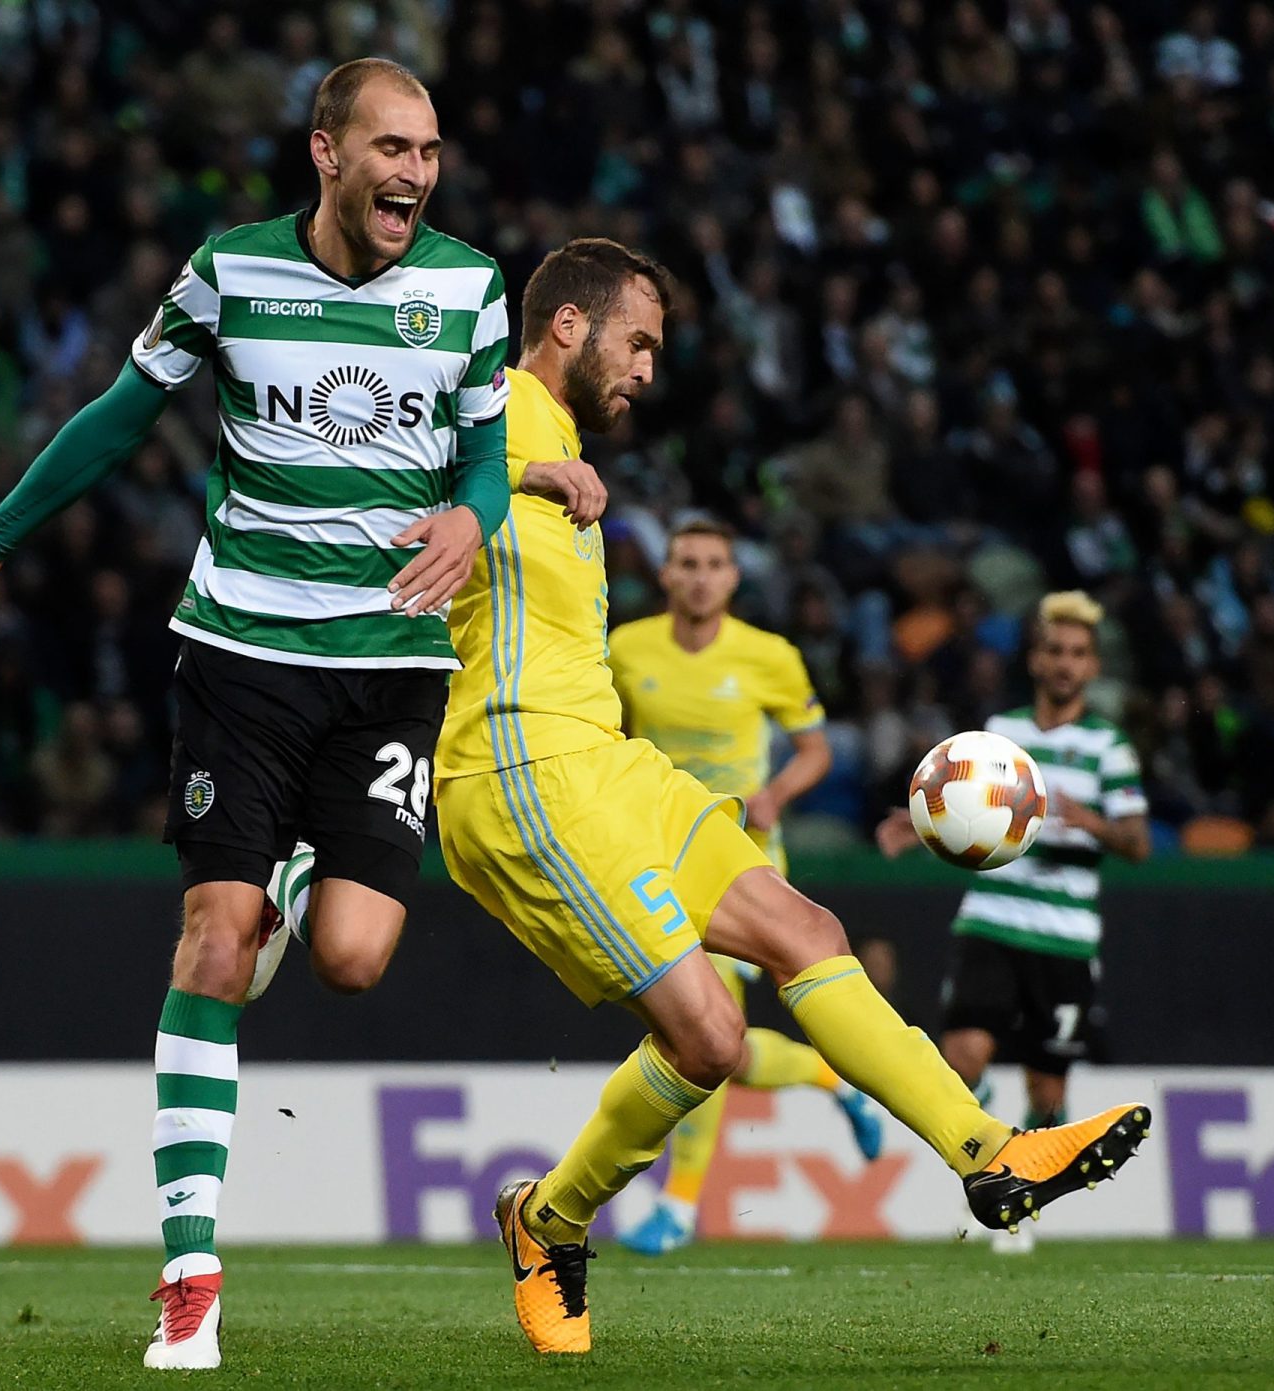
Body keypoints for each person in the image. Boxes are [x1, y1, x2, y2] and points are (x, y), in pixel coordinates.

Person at [0, 58, 558, 1372]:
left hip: (391, 666)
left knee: (354, 954)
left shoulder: (468, 288)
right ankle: (190, 1273)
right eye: (392, 148)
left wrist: (478, 509)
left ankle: (307, 872)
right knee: (214, 938)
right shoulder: (229, 272)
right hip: (238, 655)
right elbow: (125, 414)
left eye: (429, 151)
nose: (416, 173)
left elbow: (481, 446)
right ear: (325, 151)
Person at [434, 239, 1149, 1356]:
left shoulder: (562, 435)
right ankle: (549, 1218)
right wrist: (520, 474)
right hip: (521, 770)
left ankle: (988, 1150)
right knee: (712, 1038)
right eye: (639, 342)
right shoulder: (499, 408)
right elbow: (390, 459)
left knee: (804, 928)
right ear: (567, 326)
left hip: (614, 763)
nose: (649, 370)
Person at [607, 519, 883, 1258]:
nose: (700, 576)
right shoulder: (627, 648)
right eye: (686, 563)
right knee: (706, 1040)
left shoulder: (770, 656)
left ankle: (680, 1203)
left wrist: (775, 793)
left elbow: (817, 748)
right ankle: (835, 1079)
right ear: (665, 575)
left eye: (715, 564)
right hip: (654, 858)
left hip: (742, 862)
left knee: (699, 1029)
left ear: (734, 578)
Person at [878, 590, 1151, 1253]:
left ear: (1092, 666)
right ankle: (990, 1169)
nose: (1065, 663)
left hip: (1065, 938)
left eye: (1078, 654)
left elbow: (1139, 843)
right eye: (1054, 650)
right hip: (993, 921)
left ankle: (1024, 1200)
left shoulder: (1108, 746)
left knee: (1048, 1088)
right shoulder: (1002, 732)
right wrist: (913, 827)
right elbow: (962, 803)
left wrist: (1093, 823)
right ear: (1035, 659)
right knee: (964, 1055)